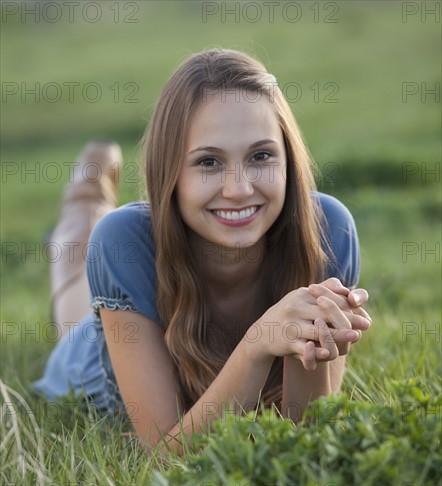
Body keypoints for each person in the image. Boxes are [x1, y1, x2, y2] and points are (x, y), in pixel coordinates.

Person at [33, 48, 371, 454]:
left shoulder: (327, 230)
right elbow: (164, 453)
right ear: (169, 171)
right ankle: (87, 192)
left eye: (261, 155)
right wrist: (259, 341)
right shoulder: (122, 242)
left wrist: (313, 338)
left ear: (288, 161)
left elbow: (307, 437)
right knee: (75, 284)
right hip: (97, 352)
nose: (239, 188)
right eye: (209, 162)